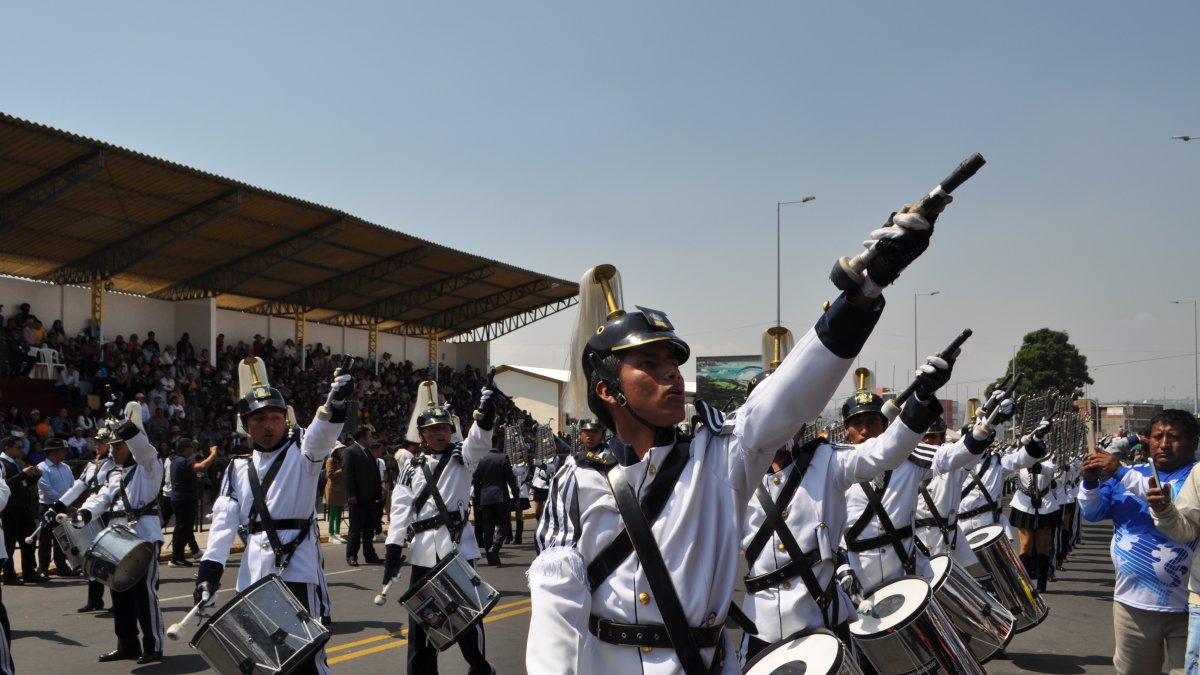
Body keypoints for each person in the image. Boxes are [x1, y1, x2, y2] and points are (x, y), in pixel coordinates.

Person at [527, 204, 935, 673]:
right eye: (650, 366)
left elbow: (790, 392)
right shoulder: (575, 482)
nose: (672, 377)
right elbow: (555, 619)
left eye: (673, 363)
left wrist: (863, 293)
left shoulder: (721, 454)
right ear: (607, 390)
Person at [737, 332, 953, 663]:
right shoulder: (728, 474)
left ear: (801, 417)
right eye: (765, 412)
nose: (776, 422)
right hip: (761, 631)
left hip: (823, 622)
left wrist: (920, 401)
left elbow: (884, 451)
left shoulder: (827, 461)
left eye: (785, 410)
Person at [193, 363, 353, 675]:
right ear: (246, 424)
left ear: (286, 420)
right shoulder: (236, 469)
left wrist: (336, 402)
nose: (269, 425)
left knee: (307, 661)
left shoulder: (304, 452)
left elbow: (323, 433)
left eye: (276, 418)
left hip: (297, 573)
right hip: (253, 578)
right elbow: (224, 524)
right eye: (260, 419)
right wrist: (208, 574)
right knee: (263, 662)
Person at [382, 382, 494, 675]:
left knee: (467, 618)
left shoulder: (463, 458)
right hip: (421, 552)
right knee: (423, 620)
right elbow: (400, 508)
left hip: (456, 549)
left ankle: (480, 668)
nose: (440, 433)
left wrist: (484, 419)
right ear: (421, 436)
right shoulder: (411, 467)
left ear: (451, 429)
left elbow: (479, 442)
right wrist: (393, 548)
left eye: (444, 428)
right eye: (432, 430)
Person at [1085, 409, 1199, 675]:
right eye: (1157, 436)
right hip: (1132, 607)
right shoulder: (1128, 474)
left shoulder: (1196, 477)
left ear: (1194, 441)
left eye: (1174, 437)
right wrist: (1089, 483)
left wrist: (1121, 472)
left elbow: (1175, 507)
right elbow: (1092, 513)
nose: (1164, 444)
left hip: (1189, 607)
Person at [68, 413, 165, 664]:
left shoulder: (149, 466)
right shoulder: (115, 473)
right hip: (118, 535)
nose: (113, 451)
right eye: (111, 447)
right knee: (118, 591)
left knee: (144, 593)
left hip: (144, 534)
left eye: (118, 446)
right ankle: (127, 644)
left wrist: (127, 428)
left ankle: (153, 645)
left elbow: (143, 448)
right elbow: (102, 498)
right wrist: (85, 513)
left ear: (130, 446)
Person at [57, 428, 116, 612]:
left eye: (101, 442)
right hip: (91, 512)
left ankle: (118, 599)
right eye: (96, 442)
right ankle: (95, 599)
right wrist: (58, 505)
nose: (97, 445)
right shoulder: (92, 465)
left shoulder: (116, 464)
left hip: (109, 513)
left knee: (112, 557)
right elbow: (78, 486)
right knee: (92, 555)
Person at [167, 438, 217, 567]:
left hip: (182, 498)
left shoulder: (178, 461)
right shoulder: (183, 461)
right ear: (185, 448)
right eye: (191, 446)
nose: (193, 449)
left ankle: (190, 552)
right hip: (184, 499)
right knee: (182, 528)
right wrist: (212, 454)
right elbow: (201, 466)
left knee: (185, 528)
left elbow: (195, 472)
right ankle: (176, 557)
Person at [0, 436, 43, 584]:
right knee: (9, 543)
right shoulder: (2, 464)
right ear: (7, 448)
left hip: (24, 507)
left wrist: (34, 478)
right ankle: (9, 574)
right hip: (10, 510)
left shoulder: (17, 463)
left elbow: (23, 484)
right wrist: (23, 474)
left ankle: (29, 572)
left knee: (29, 541)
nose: (21, 450)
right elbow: (5, 485)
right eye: (18, 447)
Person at [473, 432, 519, 566]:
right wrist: (516, 496)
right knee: (505, 524)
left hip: (485, 498)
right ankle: (496, 546)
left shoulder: (481, 459)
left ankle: (491, 558)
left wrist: (477, 500)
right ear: (497, 444)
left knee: (488, 529)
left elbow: (476, 481)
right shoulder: (503, 457)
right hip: (501, 497)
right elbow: (511, 479)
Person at [35, 438, 76, 577]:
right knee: (45, 539)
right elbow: (46, 489)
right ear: (53, 452)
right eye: (62, 450)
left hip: (63, 507)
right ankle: (43, 568)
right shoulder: (41, 468)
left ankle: (62, 566)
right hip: (48, 506)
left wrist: (70, 500)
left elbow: (73, 485)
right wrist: (64, 501)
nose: (64, 453)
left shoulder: (66, 467)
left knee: (62, 539)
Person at [342, 427, 382, 565]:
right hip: (357, 498)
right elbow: (348, 475)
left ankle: (370, 554)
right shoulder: (350, 451)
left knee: (369, 528)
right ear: (362, 438)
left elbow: (375, 474)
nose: (372, 439)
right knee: (355, 529)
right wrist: (351, 494)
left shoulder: (368, 452)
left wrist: (377, 492)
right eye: (370, 436)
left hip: (370, 497)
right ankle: (351, 555)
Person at [324, 444, 347, 543]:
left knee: (339, 513)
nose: (342, 451)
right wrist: (341, 470)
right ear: (336, 451)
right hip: (333, 490)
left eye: (343, 449)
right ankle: (331, 534)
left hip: (341, 490)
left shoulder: (342, 461)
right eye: (341, 450)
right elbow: (329, 474)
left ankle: (337, 533)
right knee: (333, 513)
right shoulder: (330, 460)